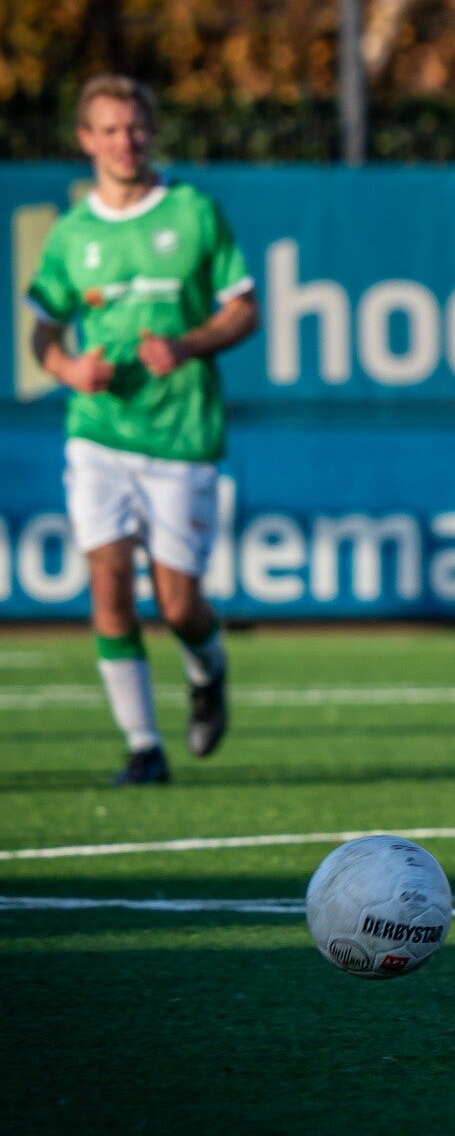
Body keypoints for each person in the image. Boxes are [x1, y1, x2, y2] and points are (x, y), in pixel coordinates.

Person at [27, 75, 258, 785]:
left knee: (179, 603)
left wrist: (187, 345)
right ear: (86, 140)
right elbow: (43, 331)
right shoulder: (73, 233)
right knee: (108, 585)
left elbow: (244, 308)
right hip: (98, 431)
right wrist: (69, 370)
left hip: (181, 433)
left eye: (134, 128)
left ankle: (207, 670)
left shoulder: (192, 211)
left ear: (150, 133)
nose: (124, 142)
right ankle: (143, 747)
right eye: (109, 130)